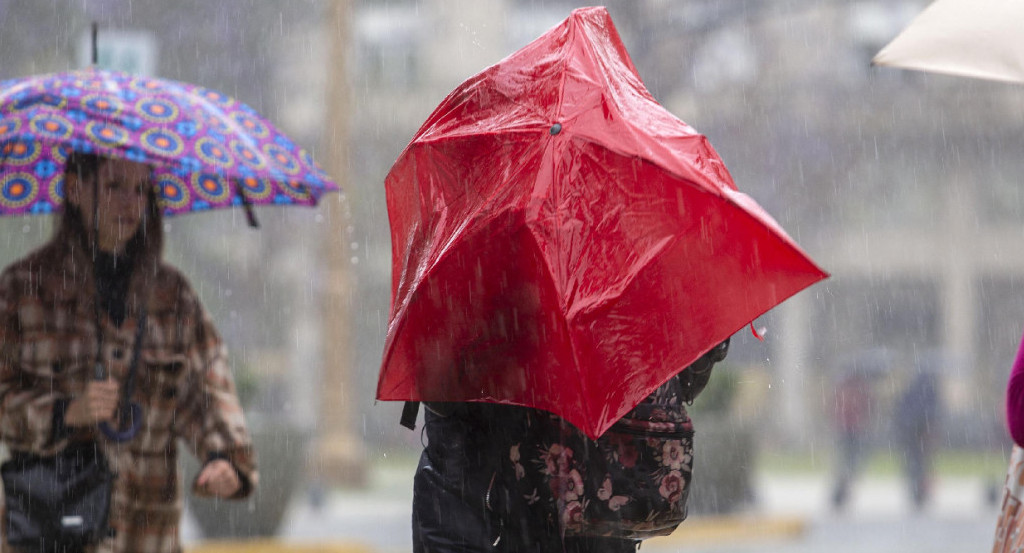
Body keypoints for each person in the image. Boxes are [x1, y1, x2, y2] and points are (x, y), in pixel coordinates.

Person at [0, 153, 257, 552]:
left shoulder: (172, 297)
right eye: (115, 186)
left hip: (149, 531)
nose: (131, 202)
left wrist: (224, 457)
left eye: (141, 189)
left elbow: (208, 385)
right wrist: (65, 412)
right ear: (75, 189)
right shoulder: (20, 291)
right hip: (53, 530)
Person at [411, 342, 730, 553]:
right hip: (581, 514)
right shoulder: (621, 259)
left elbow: (440, 384)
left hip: (484, 509)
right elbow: (684, 381)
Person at [894, 361, 941, 510]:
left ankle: (916, 490)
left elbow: (901, 410)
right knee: (923, 463)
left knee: (914, 463)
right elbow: (934, 412)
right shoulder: (930, 392)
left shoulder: (911, 391)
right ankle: (920, 491)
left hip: (912, 433)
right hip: (922, 433)